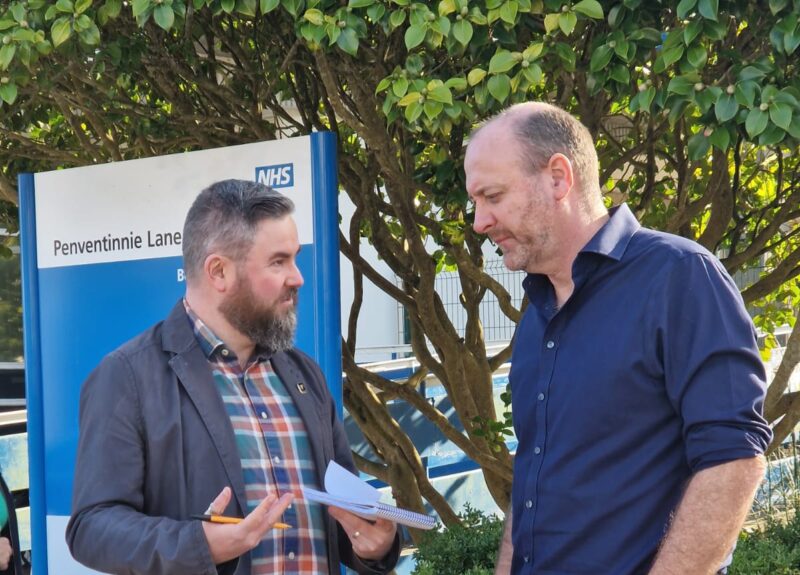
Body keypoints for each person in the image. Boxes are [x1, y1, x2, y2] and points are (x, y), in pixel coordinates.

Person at [464, 102, 772, 574]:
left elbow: (734, 460)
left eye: (493, 196)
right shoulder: (538, 313)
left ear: (559, 178)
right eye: (476, 203)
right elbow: (532, 484)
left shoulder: (679, 277)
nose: (479, 222)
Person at [66, 179, 400, 575]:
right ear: (219, 271)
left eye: (294, 258)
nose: (297, 278)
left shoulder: (304, 373)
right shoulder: (127, 376)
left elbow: (342, 518)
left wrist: (373, 546)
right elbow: (92, 528)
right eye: (278, 262)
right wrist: (198, 546)